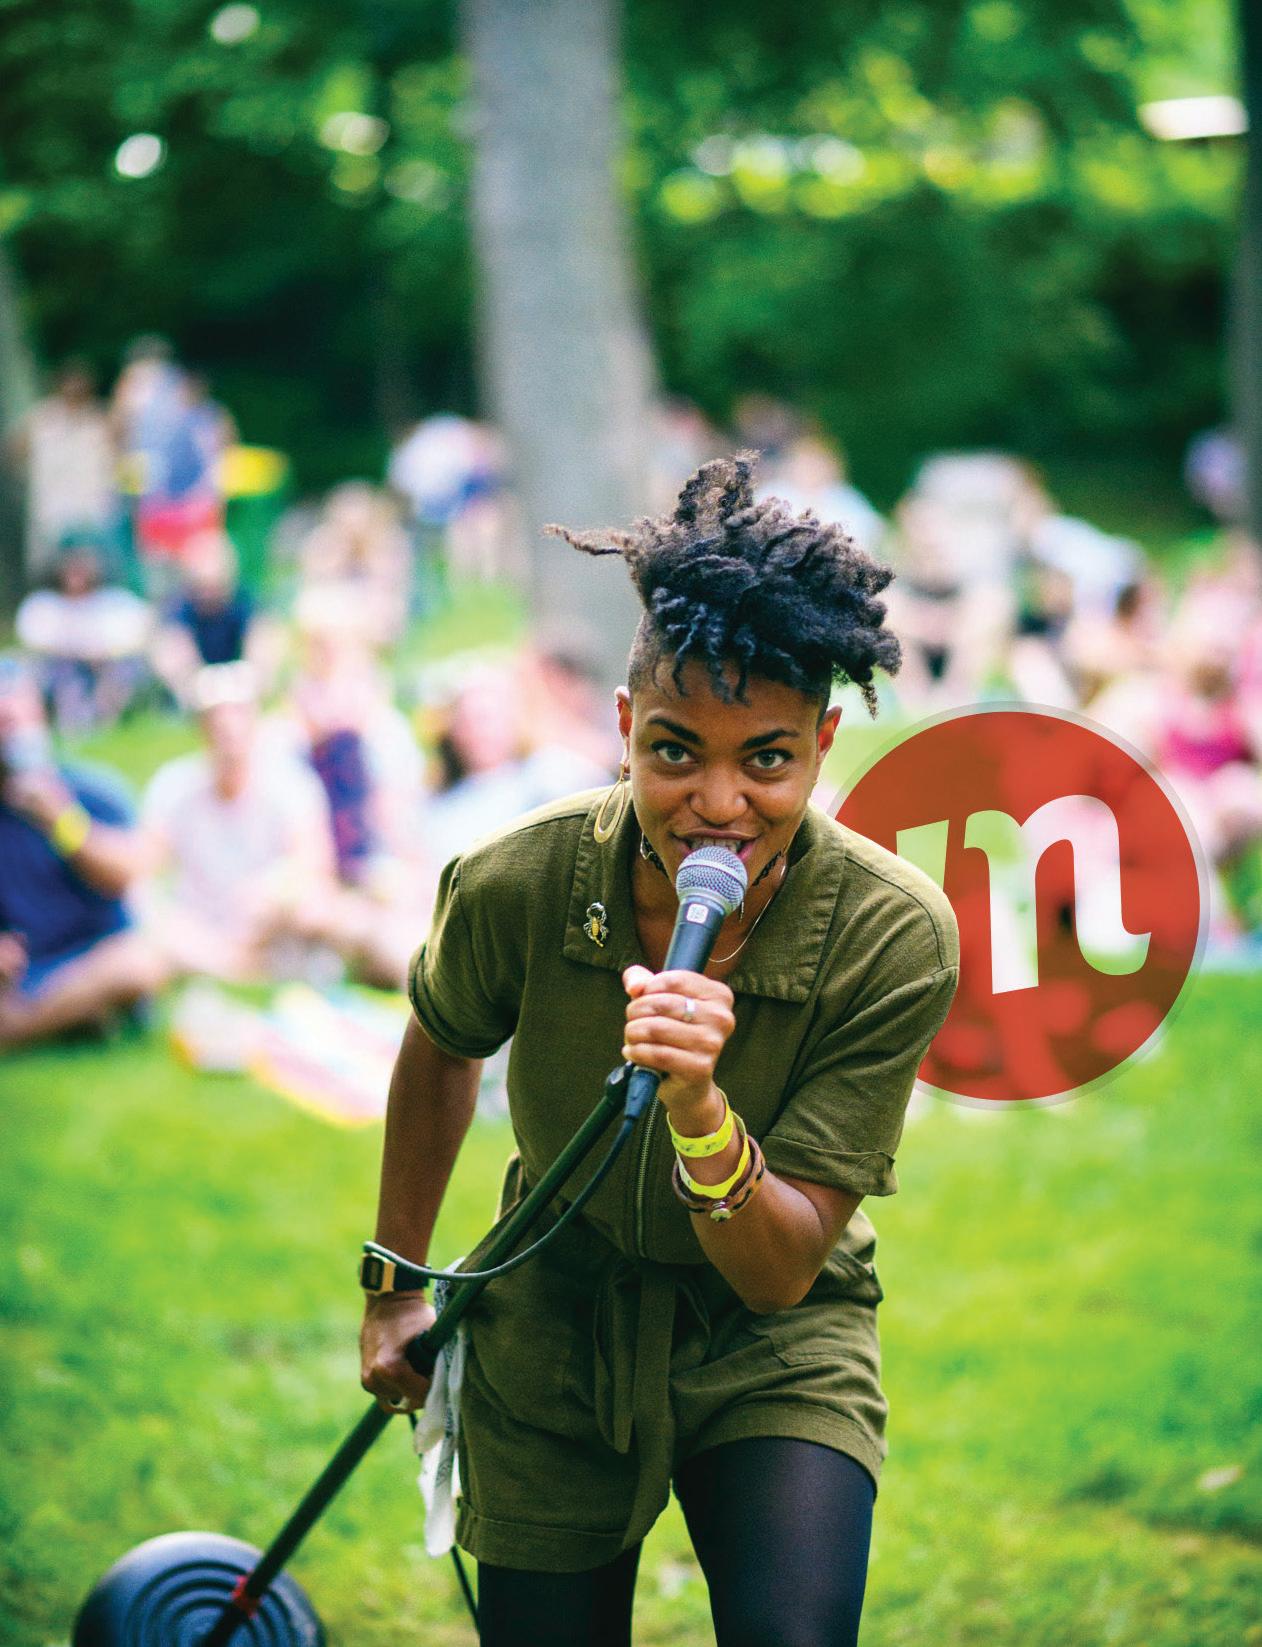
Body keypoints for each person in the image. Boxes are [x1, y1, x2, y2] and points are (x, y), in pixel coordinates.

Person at [360, 454, 960, 1646]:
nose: (717, 802)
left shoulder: (893, 933)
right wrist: (395, 1288)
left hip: (772, 1336)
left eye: (766, 759)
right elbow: (439, 1046)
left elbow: (778, 1271)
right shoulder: (516, 878)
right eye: (676, 752)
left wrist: (697, 1110)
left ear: (821, 744)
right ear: (626, 726)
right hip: (552, 1306)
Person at [0, 656, 160, 1047]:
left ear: (40, 716)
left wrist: (62, 821)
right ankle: (73, 1018)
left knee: (139, 962)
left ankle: (17, 1028)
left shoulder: (94, 791)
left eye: (15, 720)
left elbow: (126, 874)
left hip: (94, 959)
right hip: (25, 971)